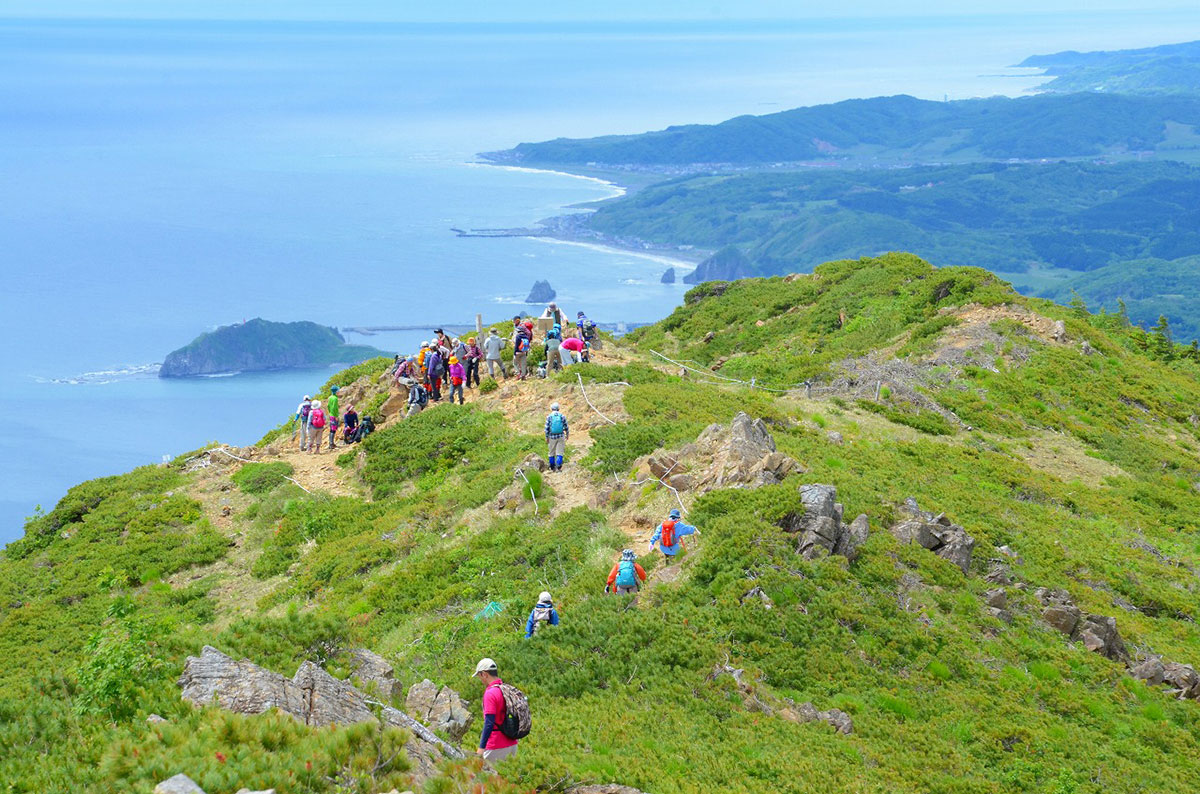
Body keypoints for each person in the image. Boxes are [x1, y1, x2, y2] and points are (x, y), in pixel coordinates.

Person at [472, 658, 520, 763]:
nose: (480, 679)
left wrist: (481, 748)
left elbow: (489, 722)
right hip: (512, 743)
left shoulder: (490, 693)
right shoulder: (506, 689)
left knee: (487, 777)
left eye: (479, 676)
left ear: (484, 674)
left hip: (496, 745)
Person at [544, 401, 568, 471]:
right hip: (561, 436)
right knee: (560, 452)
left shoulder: (549, 417)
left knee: (551, 452)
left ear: (551, 408)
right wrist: (567, 434)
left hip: (552, 437)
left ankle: (552, 467)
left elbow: (546, 428)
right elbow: (566, 426)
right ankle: (558, 467)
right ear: (558, 408)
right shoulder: (562, 416)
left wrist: (546, 437)